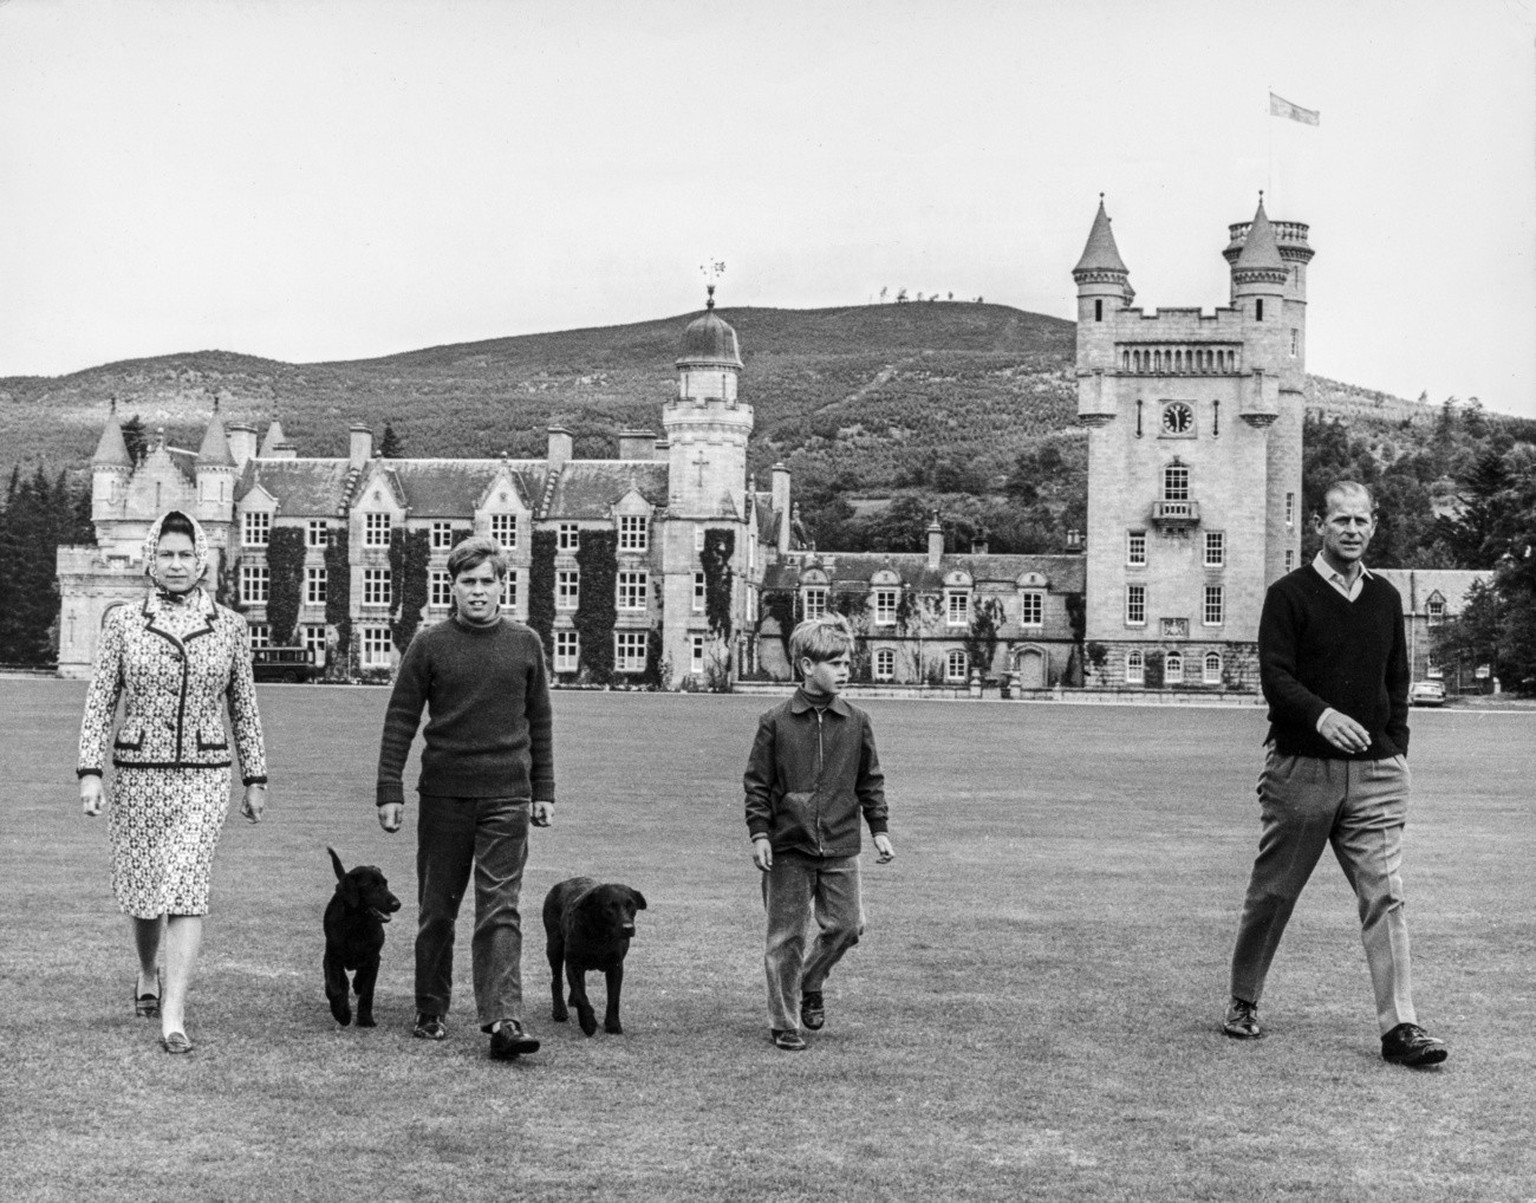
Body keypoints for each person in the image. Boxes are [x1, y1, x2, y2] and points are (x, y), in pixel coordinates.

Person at [1224, 480, 1447, 1067]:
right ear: (1319, 525)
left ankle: (1401, 1027)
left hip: (1375, 775)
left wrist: (1395, 746)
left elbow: (1397, 681)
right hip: (1302, 770)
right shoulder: (1289, 595)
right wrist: (1320, 716)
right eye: (1341, 520)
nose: (1352, 530)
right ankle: (1243, 1000)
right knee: (1273, 893)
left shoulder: (1383, 597)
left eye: (1362, 520)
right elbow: (1275, 676)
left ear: (1374, 526)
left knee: (1386, 897)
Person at [77, 510, 268, 1055]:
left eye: (186, 554)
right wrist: (91, 772)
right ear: (151, 560)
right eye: (167, 554)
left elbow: (245, 709)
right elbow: (100, 703)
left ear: (201, 558)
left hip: (205, 776)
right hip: (138, 773)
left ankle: (174, 1011)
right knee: (144, 893)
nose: (177, 564)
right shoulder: (123, 622)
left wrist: (255, 776)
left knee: (186, 887)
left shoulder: (230, 626)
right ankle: (146, 971)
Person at [376, 536, 553, 1061]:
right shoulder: (429, 645)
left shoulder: (525, 643)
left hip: (507, 795)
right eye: (468, 581)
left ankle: (503, 1019)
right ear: (451, 586)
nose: (478, 591)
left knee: (501, 908)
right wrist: (390, 789)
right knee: (438, 908)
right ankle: (430, 1008)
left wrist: (543, 790)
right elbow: (401, 719)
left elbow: (540, 721)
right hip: (444, 794)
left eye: (487, 581)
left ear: (503, 584)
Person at [744, 615, 893, 1051]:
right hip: (788, 845)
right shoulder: (775, 721)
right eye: (836, 663)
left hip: (842, 843)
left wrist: (879, 829)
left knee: (847, 926)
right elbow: (756, 784)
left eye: (848, 662)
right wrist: (760, 834)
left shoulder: (857, 721)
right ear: (807, 666)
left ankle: (811, 980)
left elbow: (871, 780)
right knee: (786, 937)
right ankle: (784, 1021)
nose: (845, 670)